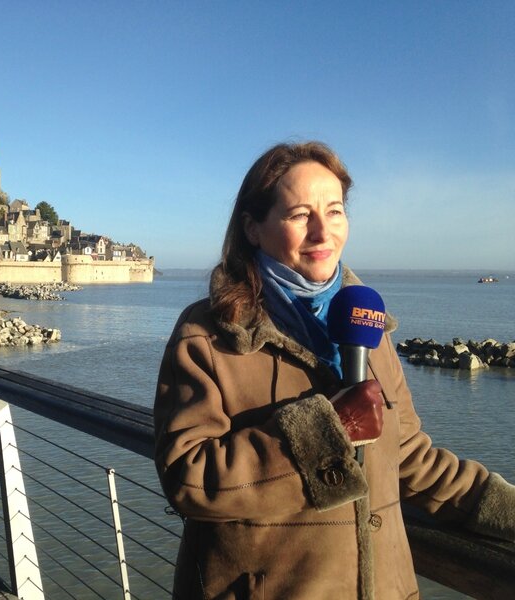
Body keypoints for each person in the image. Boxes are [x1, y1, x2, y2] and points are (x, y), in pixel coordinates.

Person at [153, 142, 515, 600]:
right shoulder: (206, 333)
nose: (323, 233)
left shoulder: (369, 325)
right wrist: (329, 430)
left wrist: (504, 508)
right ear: (253, 228)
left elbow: (409, 459)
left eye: (335, 211)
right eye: (300, 215)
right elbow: (188, 478)